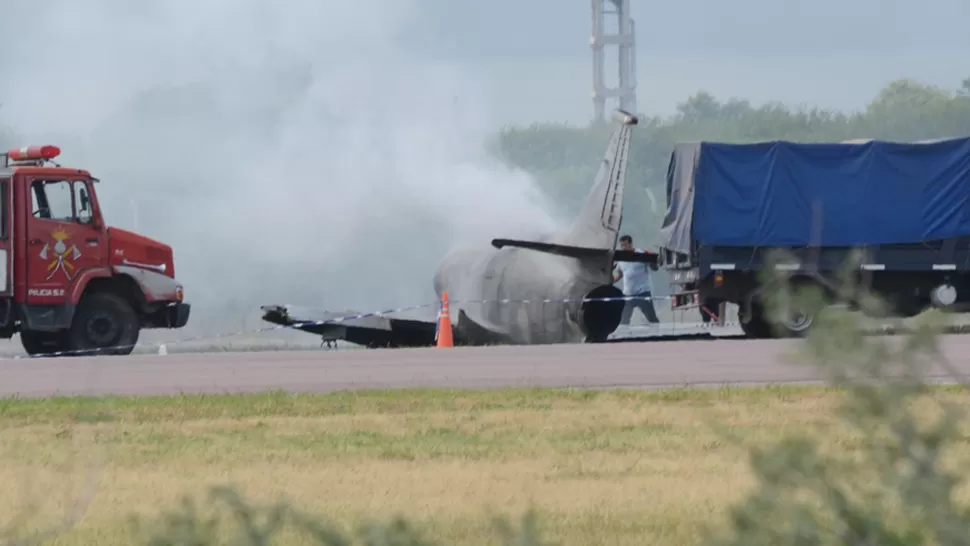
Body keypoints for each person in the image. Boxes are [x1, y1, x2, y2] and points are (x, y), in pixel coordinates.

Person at [613, 234, 660, 325]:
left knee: (652, 318)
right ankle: (623, 337)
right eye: (621, 245)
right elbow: (620, 273)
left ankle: (660, 334)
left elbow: (655, 268)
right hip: (628, 294)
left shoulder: (641, 254)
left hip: (643, 292)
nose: (623, 248)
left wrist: (650, 260)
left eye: (625, 245)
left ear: (630, 244)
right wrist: (611, 280)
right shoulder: (621, 258)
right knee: (624, 320)